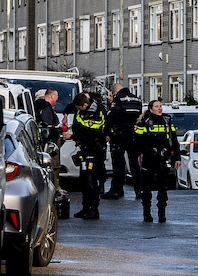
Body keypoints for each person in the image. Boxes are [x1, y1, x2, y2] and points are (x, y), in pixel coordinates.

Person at [134, 99, 182, 223]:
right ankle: (147, 213)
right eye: (156, 106)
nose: (160, 108)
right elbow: (139, 141)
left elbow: (174, 140)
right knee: (147, 187)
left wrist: (177, 157)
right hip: (149, 159)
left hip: (163, 158)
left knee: (163, 188)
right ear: (151, 109)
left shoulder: (167, 121)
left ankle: (162, 213)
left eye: (160, 106)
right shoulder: (145, 122)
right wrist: (143, 153)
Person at [66, 92, 107, 220]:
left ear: (85, 104)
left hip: (93, 148)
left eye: (79, 108)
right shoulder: (84, 107)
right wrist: (66, 113)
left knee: (91, 180)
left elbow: (90, 133)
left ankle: (94, 209)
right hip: (84, 149)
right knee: (84, 180)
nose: (78, 110)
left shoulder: (96, 114)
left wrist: (72, 136)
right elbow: (72, 106)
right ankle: (85, 207)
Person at [103, 83, 143, 199]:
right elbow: (138, 114)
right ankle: (139, 190)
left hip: (119, 134)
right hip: (133, 134)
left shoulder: (119, 99)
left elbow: (111, 116)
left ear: (115, 92)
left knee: (118, 163)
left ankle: (116, 190)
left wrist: (106, 131)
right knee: (134, 163)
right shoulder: (137, 99)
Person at [33, 89, 66, 196]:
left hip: (44, 141)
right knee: (53, 165)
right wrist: (57, 130)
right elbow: (47, 125)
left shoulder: (38, 106)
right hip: (49, 142)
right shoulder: (46, 107)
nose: (57, 99)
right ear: (51, 96)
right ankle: (55, 188)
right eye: (56, 97)